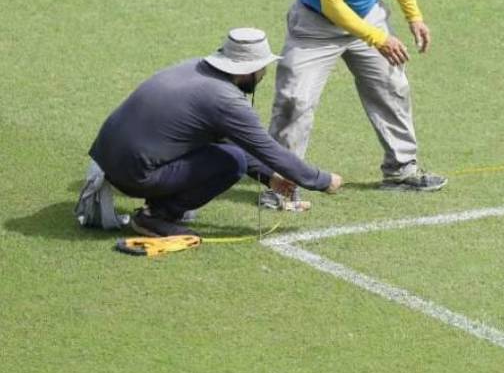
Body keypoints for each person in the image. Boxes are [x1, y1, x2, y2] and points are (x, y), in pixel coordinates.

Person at [264, 0, 445, 207]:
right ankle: (280, 185)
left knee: (392, 87)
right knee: (295, 102)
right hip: (316, 28)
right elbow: (333, 6)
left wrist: (414, 16)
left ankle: (401, 168)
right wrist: (379, 38)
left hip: (367, 17)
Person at [88, 28, 342, 237]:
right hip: (133, 174)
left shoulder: (194, 68)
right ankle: (156, 217)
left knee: (226, 150)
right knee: (231, 162)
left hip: (107, 160)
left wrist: (269, 178)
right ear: (249, 70)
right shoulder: (225, 99)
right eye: (262, 68)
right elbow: (267, 149)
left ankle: (157, 209)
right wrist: (321, 180)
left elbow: (224, 136)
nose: (264, 74)